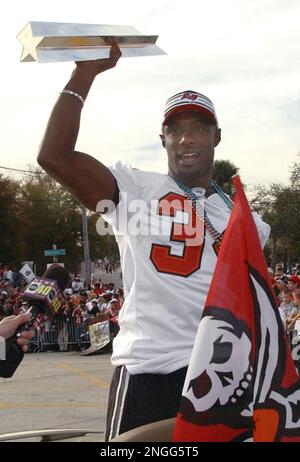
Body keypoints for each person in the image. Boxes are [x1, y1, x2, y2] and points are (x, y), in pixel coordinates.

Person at [37, 44, 270, 440]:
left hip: (218, 375)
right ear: (162, 138)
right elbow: (54, 156)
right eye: (176, 129)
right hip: (148, 369)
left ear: (217, 135)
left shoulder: (250, 222)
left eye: (198, 127)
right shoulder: (134, 189)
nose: (186, 138)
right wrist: (84, 74)